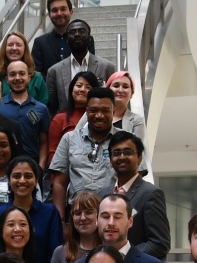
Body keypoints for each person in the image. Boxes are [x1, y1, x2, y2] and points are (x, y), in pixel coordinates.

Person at [0, 156, 64, 263]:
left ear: (36, 180)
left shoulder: (50, 212)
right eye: (16, 176)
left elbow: (54, 256)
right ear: (8, 180)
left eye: (28, 176)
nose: (22, 180)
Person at [99, 131, 170, 260]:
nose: (122, 157)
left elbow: (159, 243)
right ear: (110, 159)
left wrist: (121, 256)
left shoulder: (151, 193)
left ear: (139, 158)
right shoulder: (101, 195)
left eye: (127, 152)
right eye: (116, 153)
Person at [49, 87, 116, 216]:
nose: (99, 115)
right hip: (78, 216)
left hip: (111, 215)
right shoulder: (69, 139)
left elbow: (134, 182)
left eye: (105, 110)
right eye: (94, 110)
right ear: (87, 111)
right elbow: (59, 183)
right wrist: (61, 220)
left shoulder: (125, 140)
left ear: (114, 111)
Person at [75, 70, 150, 173]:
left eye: (125, 86)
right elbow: (76, 138)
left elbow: (136, 153)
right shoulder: (91, 113)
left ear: (132, 93)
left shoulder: (137, 121)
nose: (120, 90)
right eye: (116, 85)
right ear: (108, 89)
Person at [45, 20, 116, 115]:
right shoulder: (54, 71)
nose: (77, 34)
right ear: (67, 39)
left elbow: (113, 102)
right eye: (72, 32)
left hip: (99, 123)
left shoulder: (107, 67)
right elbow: (51, 108)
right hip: (66, 125)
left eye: (82, 31)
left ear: (90, 38)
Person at [0, 60, 50, 169]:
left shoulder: (41, 109)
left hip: (32, 167)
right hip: (3, 166)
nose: (17, 78)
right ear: (7, 79)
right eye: (12, 74)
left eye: (22, 73)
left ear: (29, 77)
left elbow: (44, 142)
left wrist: (40, 167)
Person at [47, 70, 100, 164]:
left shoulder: (100, 118)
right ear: (72, 89)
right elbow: (53, 154)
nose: (82, 89)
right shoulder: (59, 119)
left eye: (88, 87)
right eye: (79, 85)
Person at [0, 30, 48, 105]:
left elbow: (44, 107)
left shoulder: (37, 78)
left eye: (18, 45)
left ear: (25, 49)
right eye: (10, 44)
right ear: (4, 48)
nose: (14, 48)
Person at [31, 0, 75, 75]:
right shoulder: (39, 43)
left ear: (71, 12)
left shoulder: (85, 40)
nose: (59, 13)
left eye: (63, 9)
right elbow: (37, 75)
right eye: (54, 10)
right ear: (49, 15)